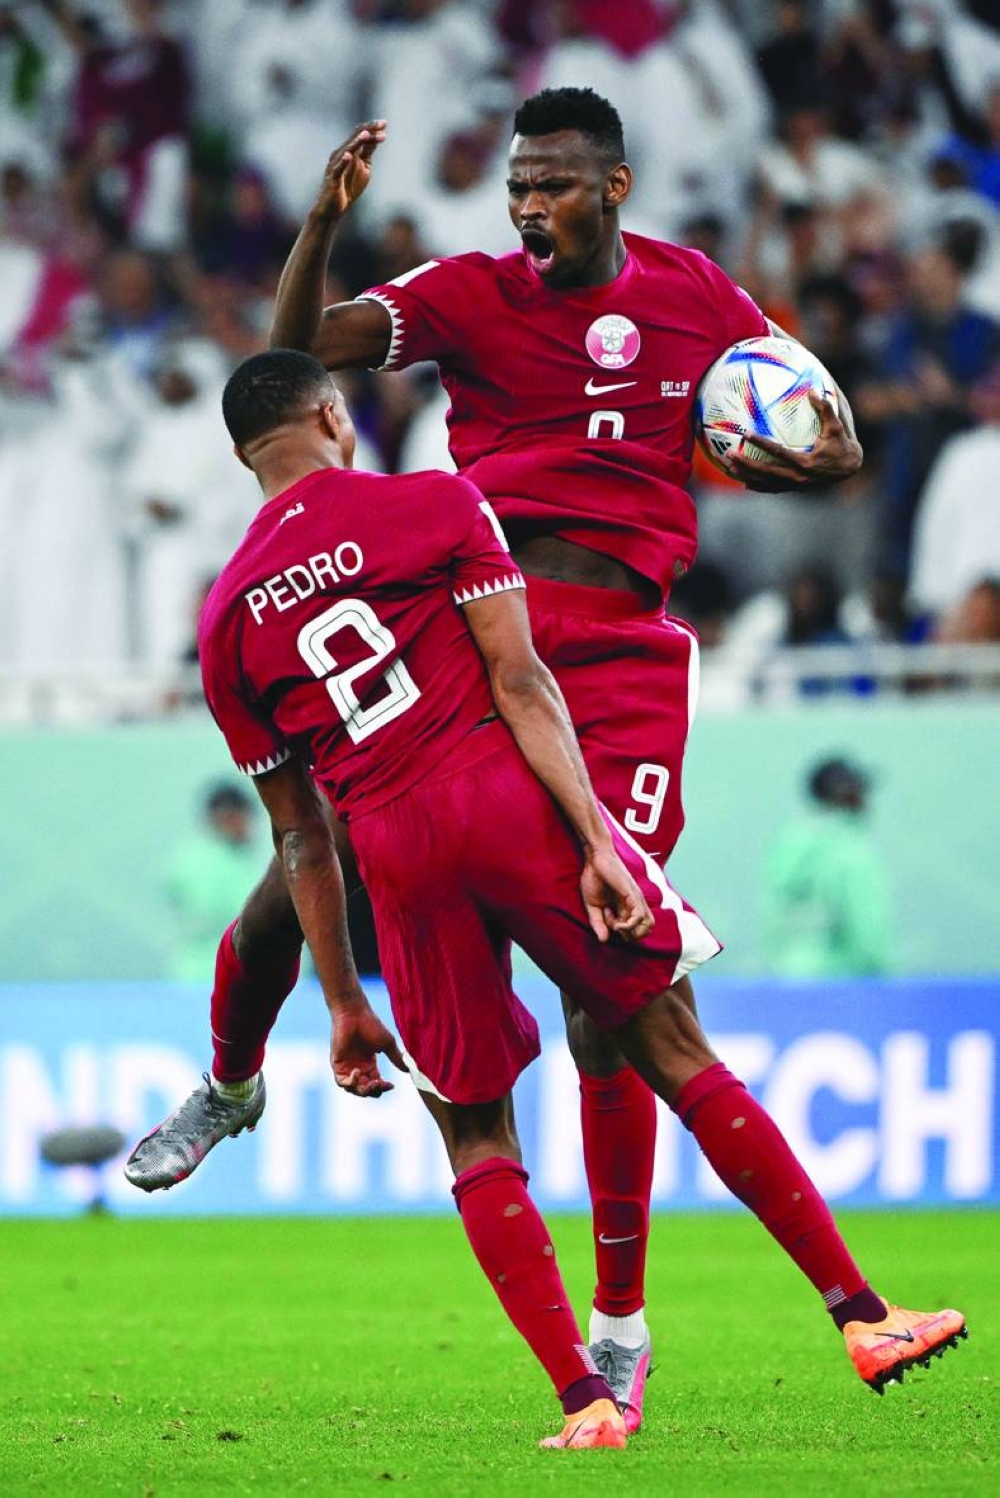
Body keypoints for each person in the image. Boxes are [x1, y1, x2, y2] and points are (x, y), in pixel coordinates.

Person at [125, 89, 869, 1429]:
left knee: (617, 1003)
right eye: (518, 185)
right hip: (477, 646)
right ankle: (230, 1081)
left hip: (623, 659)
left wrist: (809, 447)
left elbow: (812, 416)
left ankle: (622, 1322)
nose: (528, 205)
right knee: (294, 891)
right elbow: (294, 360)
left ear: (616, 185)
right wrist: (319, 230)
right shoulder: (470, 296)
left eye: (554, 185)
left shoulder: (701, 294)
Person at [762, 757, 892, 978]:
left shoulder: (787, 846)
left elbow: (772, 917)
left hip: (786, 980)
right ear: (846, 796)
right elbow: (868, 932)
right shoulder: (850, 851)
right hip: (846, 986)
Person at [163, 783, 261, 980]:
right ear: (228, 818)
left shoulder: (183, 858)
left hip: (187, 973)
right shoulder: (232, 864)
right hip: (227, 975)